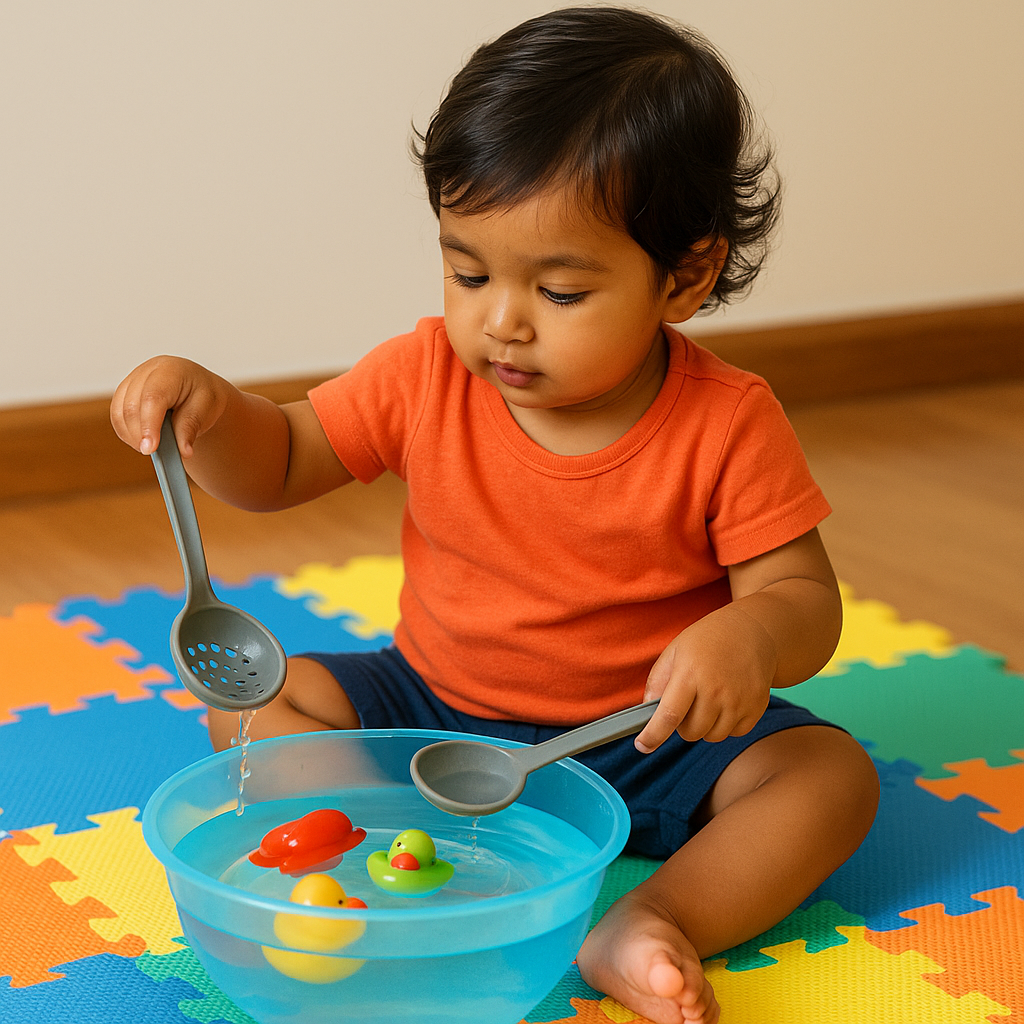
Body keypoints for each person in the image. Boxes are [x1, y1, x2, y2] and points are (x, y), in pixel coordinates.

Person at [111, 8, 879, 1023]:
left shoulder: (728, 422)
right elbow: (283, 460)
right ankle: (378, 854)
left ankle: (653, 918)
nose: (499, 320)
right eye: (468, 272)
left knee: (829, 776)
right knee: (263, 698)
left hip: (643, 733)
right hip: (431, 710)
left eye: (558, 291)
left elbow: (802, 599)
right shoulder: (425, 373)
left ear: (684, 277)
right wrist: (212, 414)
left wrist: (751, 636)